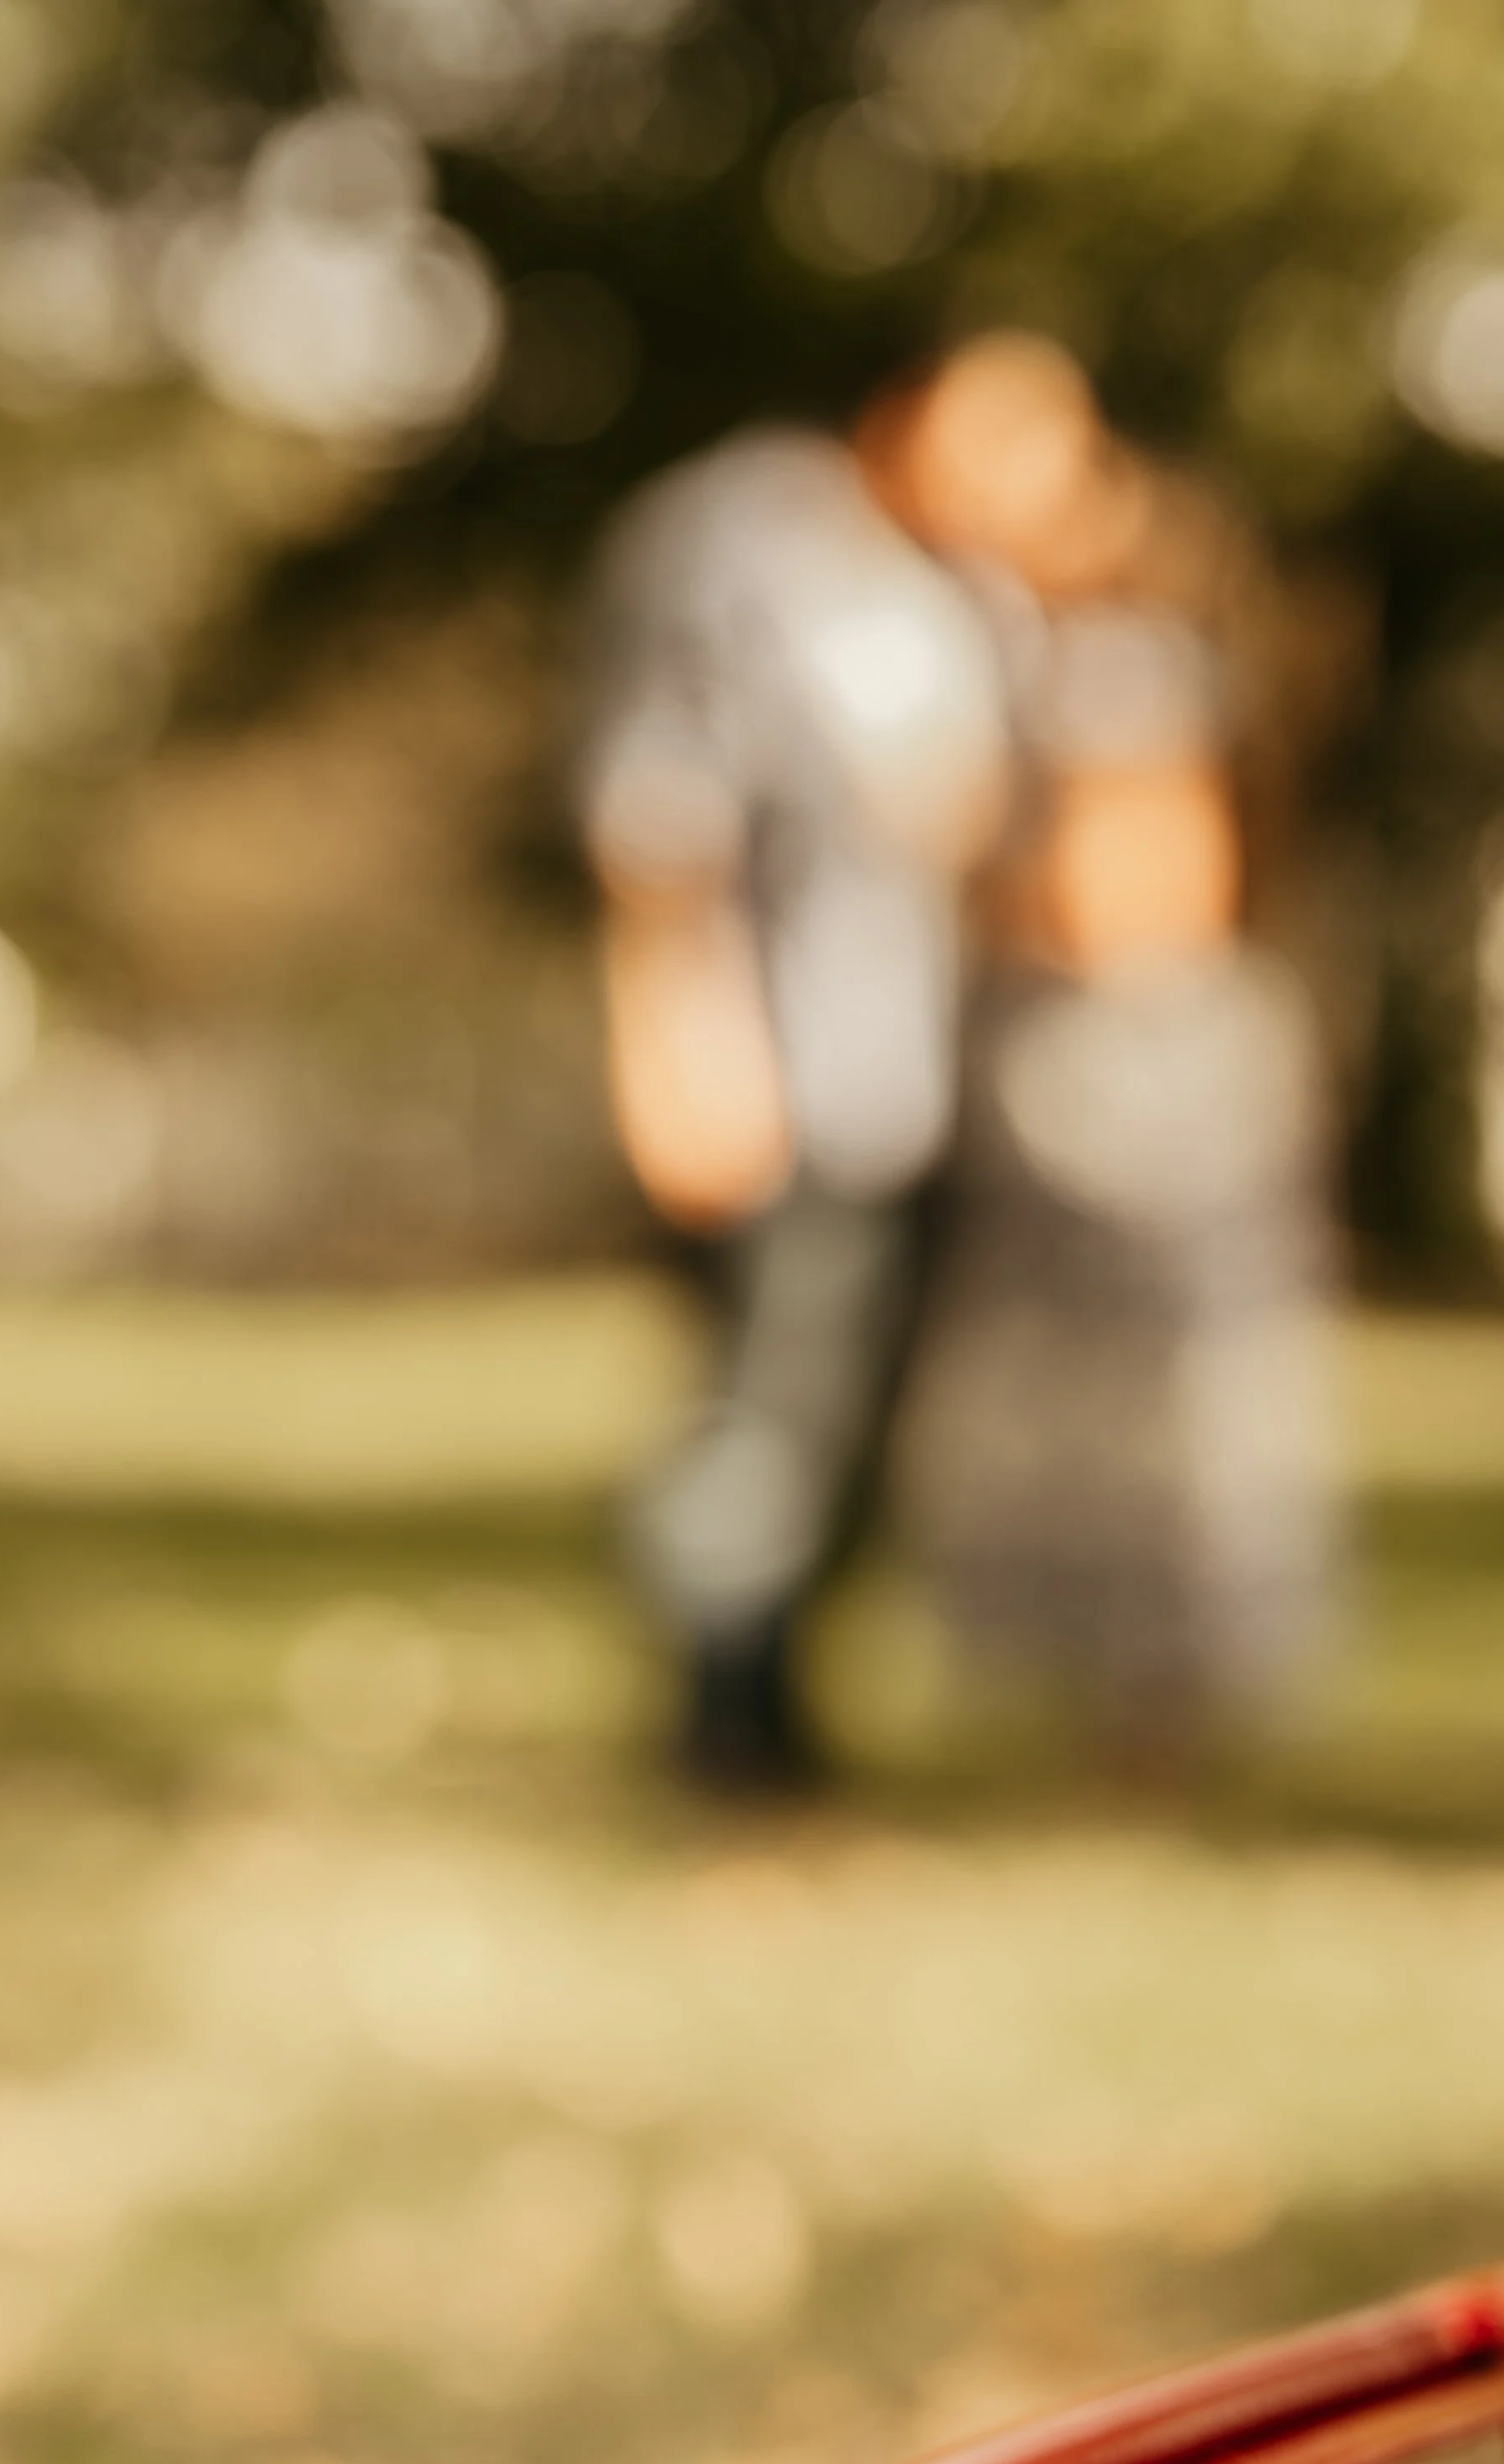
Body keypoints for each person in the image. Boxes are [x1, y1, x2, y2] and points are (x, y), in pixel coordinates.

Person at [881, 338, 1340, 1764]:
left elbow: (1151, 878)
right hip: (1064, 1040)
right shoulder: (989, 651)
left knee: (1181, 1386)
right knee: (1066, 1391)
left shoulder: (1138, 655)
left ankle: (1171, 1696)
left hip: (1148, 1050)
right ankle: (1104, 1690)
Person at [577, 404, 1013, 1786]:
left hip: (900, 1084)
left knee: (844, 1410)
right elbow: (662, 813)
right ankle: (718, 1714)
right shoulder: (755, 542)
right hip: (774, 1072)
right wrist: (679, 1040)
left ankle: (777, 1700)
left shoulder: (954, 594)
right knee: (759, 1406)